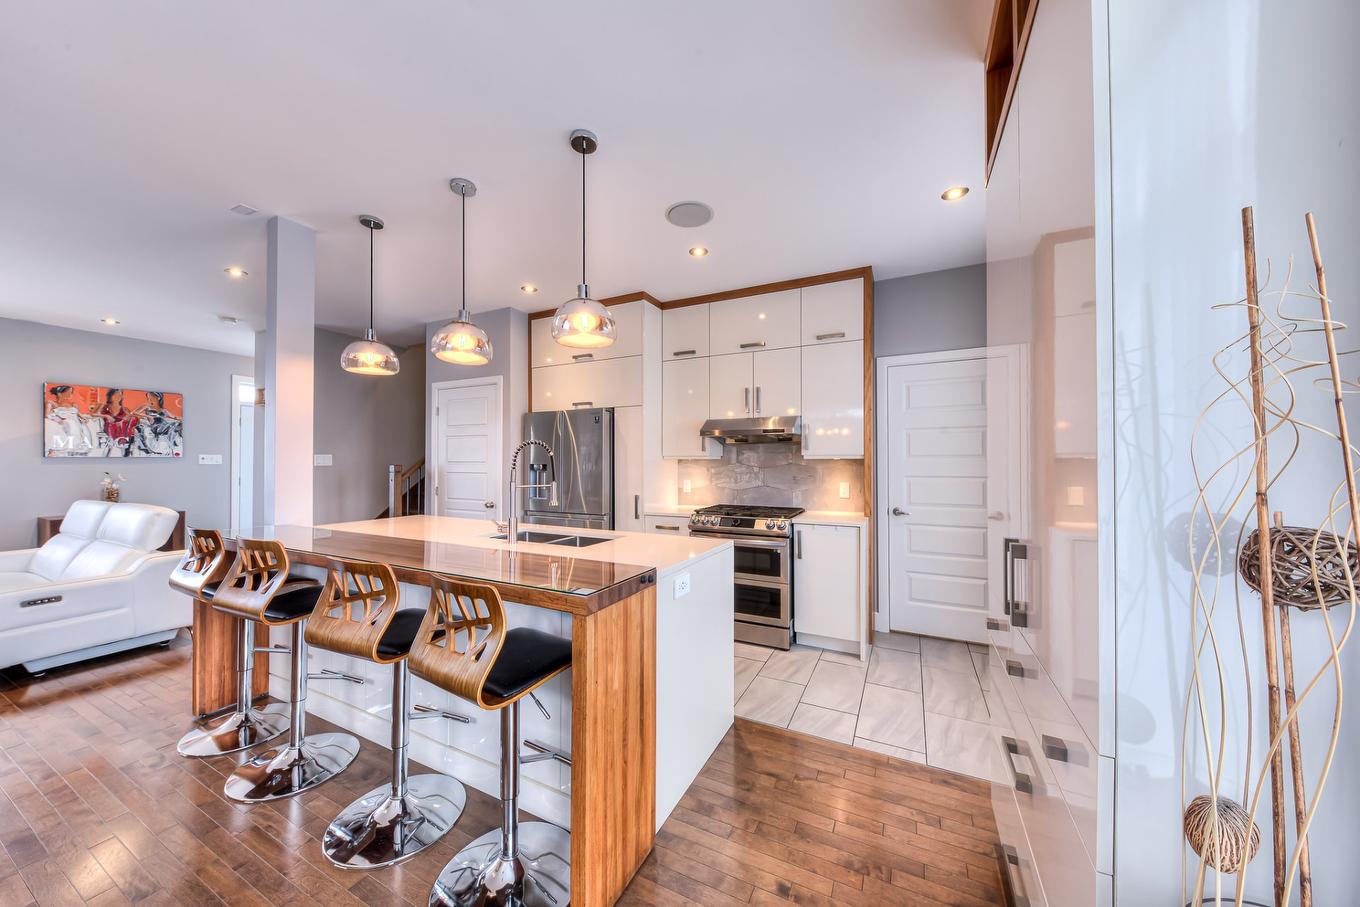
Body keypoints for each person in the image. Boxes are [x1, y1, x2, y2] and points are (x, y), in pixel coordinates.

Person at [44, 385, 101, 454]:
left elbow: (79, 414)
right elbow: (47, 415)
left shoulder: (73, 404)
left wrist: (84, 419)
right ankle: (67, 447)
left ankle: (77, 447)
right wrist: (58, 419)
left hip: (76, 421)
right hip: (64, 421)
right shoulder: (52, 403)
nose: (70, 395)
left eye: (71, 393)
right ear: (59, 394)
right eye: (68, 392)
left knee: (82, 426)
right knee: (71, 424)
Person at [96, 388, 139, 456]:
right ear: (111, 396)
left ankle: (123, 440)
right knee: (118, 424)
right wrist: (107, 416)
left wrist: (127, 418)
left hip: (123, 429)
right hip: (109, 427)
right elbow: (93, 414)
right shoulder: (105, 406)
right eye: (116, 395)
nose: (118, 397)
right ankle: (123, 440)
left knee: (131, 419)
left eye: (120, 395)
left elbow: (130, 416)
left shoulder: (123, 408)